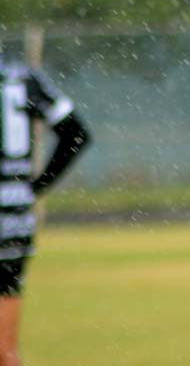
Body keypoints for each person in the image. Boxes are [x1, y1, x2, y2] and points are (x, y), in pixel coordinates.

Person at [0, 56, 90, 366]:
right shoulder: (21, 76)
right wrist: (35, 187)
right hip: (13, 221)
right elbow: (76, 133)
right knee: (4, 349)